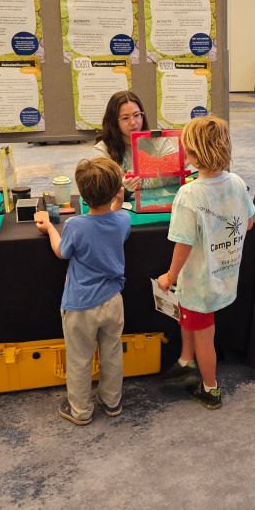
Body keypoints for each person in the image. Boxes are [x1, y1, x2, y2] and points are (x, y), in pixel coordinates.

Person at [157, 116, 255, 409]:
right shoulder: (236, 182)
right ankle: (186, 361)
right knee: (189, 315)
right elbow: (248, 224)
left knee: (204, 336)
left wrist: (170, 276)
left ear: (194, 154)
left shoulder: (189, 194)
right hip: (224, 275)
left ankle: (210, 388)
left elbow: (183, 243)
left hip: (200, 282)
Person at [35, 157, 130, 425]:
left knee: (79, 359)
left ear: (82, 193)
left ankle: (80, 411)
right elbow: (115, 215)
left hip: (80, 306)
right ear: (115, 192)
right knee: (111, 352)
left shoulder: (75, 226)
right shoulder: (123, 220)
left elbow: (61, 251)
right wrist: (117, 200)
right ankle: (112, 402)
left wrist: (51, 228)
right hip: (113, 301)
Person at [91, 90, 178, 197]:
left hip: (157, 206)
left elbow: (174, 179)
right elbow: (99, 189)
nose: (133, 122)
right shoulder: (102, 150)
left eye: (137, 115)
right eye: (125, 118)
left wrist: (182, 163)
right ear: (114, 121)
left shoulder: (159, 142)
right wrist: (120, 186)